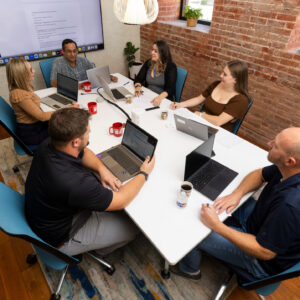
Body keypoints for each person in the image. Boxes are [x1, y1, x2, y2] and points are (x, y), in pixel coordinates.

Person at [170, 127, 300, 281]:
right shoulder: (289, 168)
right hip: (260, 223)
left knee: (195, 230)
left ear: (290, 161)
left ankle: (190, 269)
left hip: (261, 259)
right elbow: (259, 174)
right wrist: (236, 194)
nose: (269, 143)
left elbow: (265, 251)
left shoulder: (290, 205)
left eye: (276, 146)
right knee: (219, 197)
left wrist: (217, 225)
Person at [25, 107, 155, 257]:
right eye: (87, 131)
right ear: (75, 141)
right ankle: (100, 250)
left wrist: (102, 169)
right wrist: (144, 173)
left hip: (42, 215)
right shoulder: (75, 182)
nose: (90, 133)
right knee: (133, 228)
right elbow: (122, 201)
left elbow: (84, 151)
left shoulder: (50, 143)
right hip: (59, 238)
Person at [171, 60, 249, 132]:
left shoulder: (241, 100)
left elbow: (218, 121)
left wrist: (200, 114)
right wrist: (180, 104)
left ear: (236, 79)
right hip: (201, 123)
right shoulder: (216, 84)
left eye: (225, 74)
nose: (220, 75)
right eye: (222, 72)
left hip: (218, 133)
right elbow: (199, 99)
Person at [6, 58, 54, 148]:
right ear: (22, 75)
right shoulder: (20, 95)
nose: (34, 71)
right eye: (31, 69)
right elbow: (42, 117)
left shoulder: (23, 87)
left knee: (60, 122)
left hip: (35, 125)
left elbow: (32, 101)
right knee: (65, 131)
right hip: (31, 133)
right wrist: (64, 110)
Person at [134, 40, 177, 106]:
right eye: (152, 50)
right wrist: (138, 87)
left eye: (155, 51)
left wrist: (159, 98)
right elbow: (138, 79)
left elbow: (170, 89)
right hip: (148, 96)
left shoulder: (171, 66)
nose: (152, 53)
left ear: (163, 53)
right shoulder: (149, 62)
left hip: (163, 100)